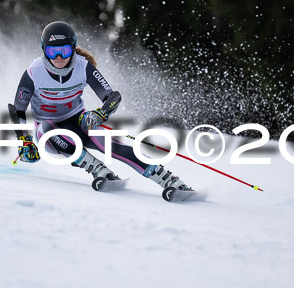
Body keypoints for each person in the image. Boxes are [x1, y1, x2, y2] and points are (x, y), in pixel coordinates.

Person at [11, 20, 192, 193]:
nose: (59, 58)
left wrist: (100, 114)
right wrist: (24, 140)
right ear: (44, 51)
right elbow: (18, 109)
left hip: (79, 122)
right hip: (50, 135)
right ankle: (98, 169)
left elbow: (112, 97)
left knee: (113, 146)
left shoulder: (83, 67)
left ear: (73, 49)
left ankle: (168, 180)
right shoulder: (35, 72)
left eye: (64, 51)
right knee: (45, 128)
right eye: (52, 52)